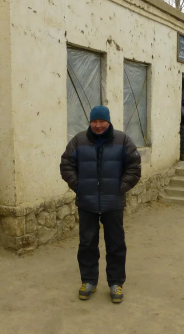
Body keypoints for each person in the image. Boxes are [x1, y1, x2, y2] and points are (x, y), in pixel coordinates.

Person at [60, 106, 141, 304]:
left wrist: (121, 188)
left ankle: (115, 282)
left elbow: (134, 166)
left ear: (108, 122)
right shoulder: (79, 140)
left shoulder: (122, 140)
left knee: (116, 244)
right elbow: (66, 163)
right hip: (86, 202)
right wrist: (78, 186)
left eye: (101, 121)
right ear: (90, 122)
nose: (98, 125)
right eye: (94, 121)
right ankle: (88, 281)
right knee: (87, 244)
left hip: (113, 203)